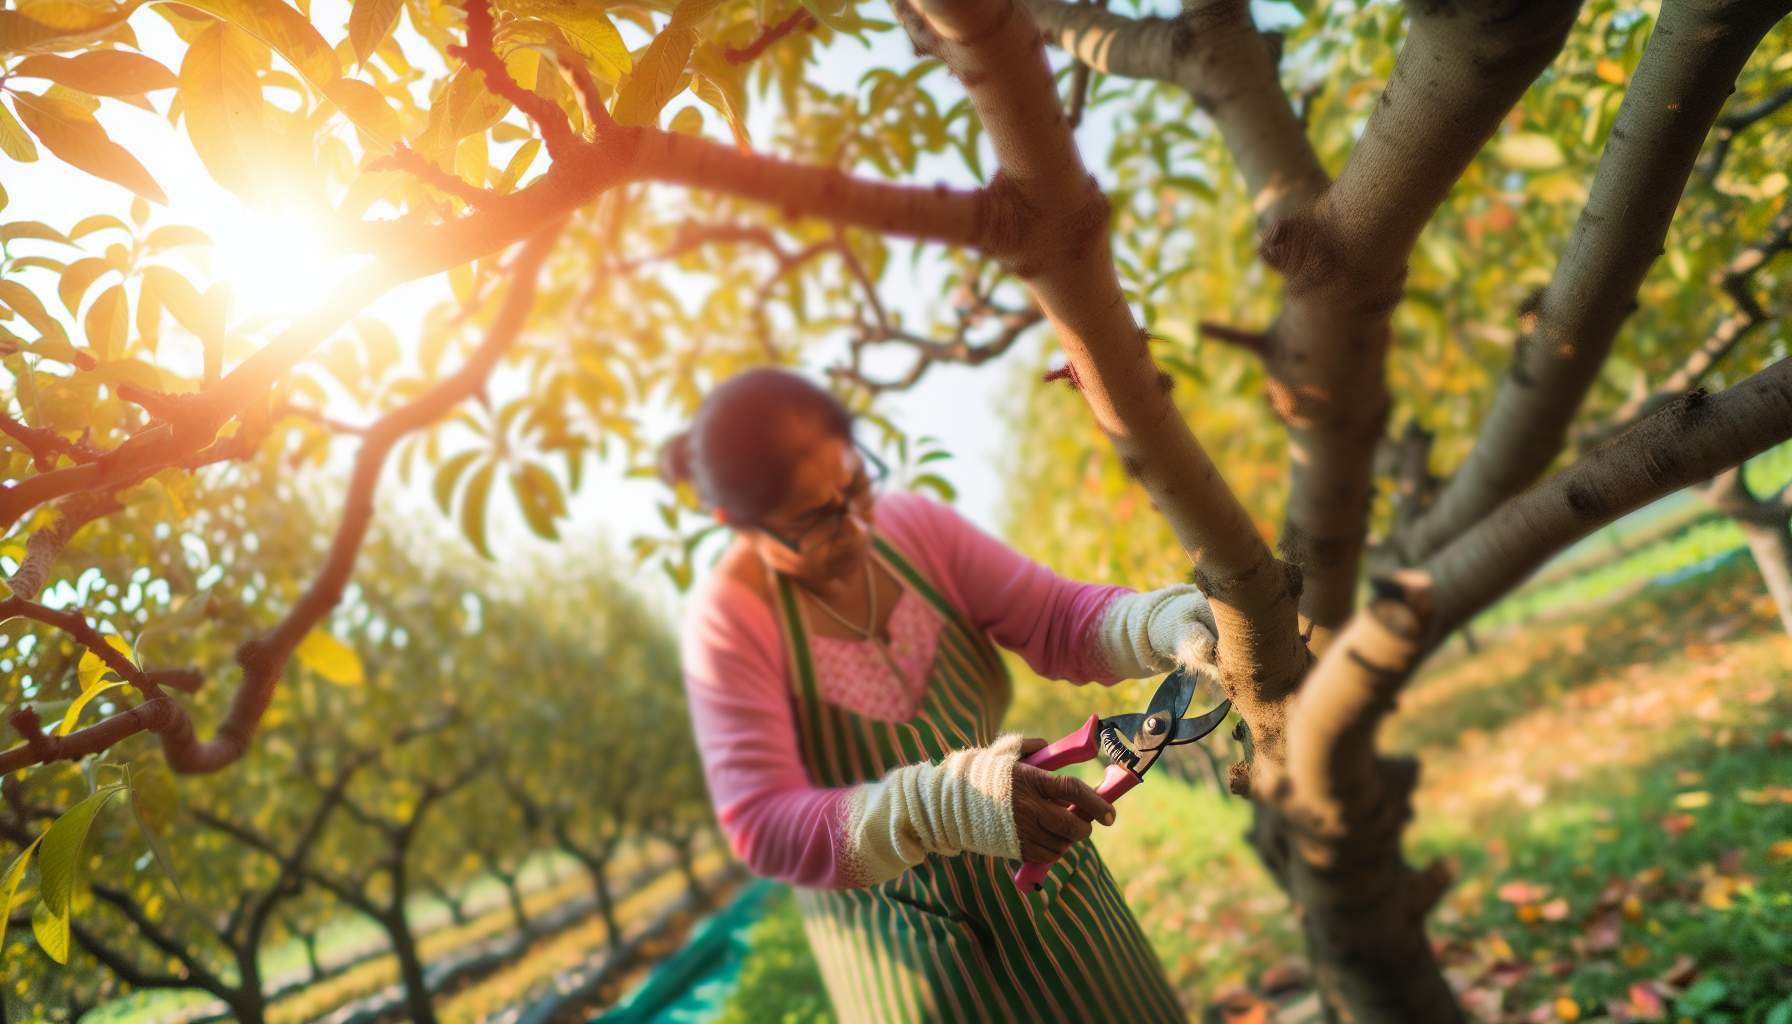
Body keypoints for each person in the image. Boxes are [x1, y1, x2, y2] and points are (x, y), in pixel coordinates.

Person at [666, 369, 1220, 1023]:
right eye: (815, 521)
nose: (855, 526)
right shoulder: (731, 619)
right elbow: (763, 823)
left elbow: (1053, 619)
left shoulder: (914, 530)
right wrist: (939, 808)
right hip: (908, 958)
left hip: (1050, 891)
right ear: (737, 524)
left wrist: (1151, 623)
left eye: (856, 485)